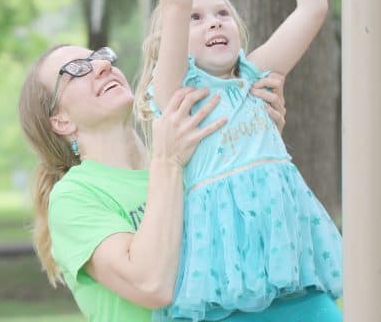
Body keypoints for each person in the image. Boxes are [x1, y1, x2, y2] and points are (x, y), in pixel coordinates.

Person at [135, 0, 343, 322]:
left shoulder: (253, 77)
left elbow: (313, 8)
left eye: (222, 13)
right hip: (221, 286)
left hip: (292, 275)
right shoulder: (178, 93)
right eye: (197, 18)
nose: (212, 21)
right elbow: (173, 3)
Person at [18, 44, 288, 322]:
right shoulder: (73, 197)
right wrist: (167, 161)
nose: (103, 65)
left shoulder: (190, 161)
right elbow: (150, 285)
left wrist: (259, 148)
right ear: (61, 121)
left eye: (100, 57)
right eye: (76, 70)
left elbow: (254, 253)